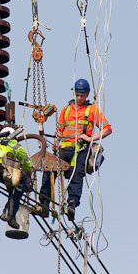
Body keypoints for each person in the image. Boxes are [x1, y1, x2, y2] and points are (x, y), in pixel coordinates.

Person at [37, 79, 112, 221]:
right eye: (77, 95)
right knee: (49, 168)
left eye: (82, 96)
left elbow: (107, 129)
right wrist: (55, 143)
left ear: (87, 95)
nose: (79, 98)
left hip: (81, 147)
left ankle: (72, 203)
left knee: (77, 171)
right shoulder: (66, 109)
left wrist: (91, 138)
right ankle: (44, 203)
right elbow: (59, 130)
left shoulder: (92, 110)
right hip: (64, 147)